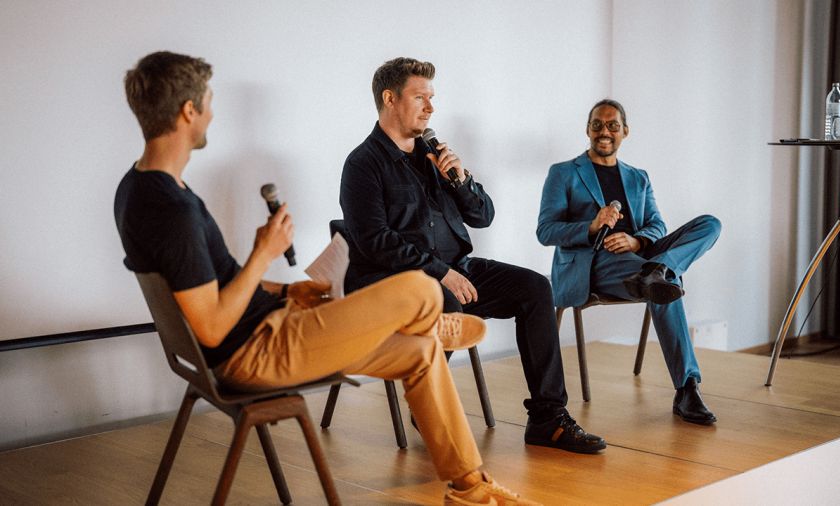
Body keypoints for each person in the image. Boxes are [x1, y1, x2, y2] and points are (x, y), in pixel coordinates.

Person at [114, 51, 539, 505]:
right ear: (188, 111)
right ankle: (431, 319)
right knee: (418, 286)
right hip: (256, 352)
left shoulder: (141, 187)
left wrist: (287, 289)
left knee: (420, 354)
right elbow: (212, 326)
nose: (213, 113)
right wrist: (263, 254)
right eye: (209, 102)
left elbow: (209, 287)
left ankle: (470, 488)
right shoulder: (172, 210)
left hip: (270, 326)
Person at [340, 57, 605, 454]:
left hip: (455, 271)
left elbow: (483, 216)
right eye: (420, 97)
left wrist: (460, 180)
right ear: (390, 99)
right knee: (443, 298)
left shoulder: (434, 156)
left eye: (432, 98)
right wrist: (439, 272)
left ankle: (548, 418)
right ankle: (427, 405)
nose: (431, 107)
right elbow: (374, 240)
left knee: (534, 288)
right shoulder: (363, 165)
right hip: (395, 282)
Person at [536, 99, 721, 425]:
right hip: (594, 264)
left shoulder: (638, 177)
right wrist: (592, 226)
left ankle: (659, 268)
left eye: (612, 125)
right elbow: (546, 230)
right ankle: (687, 387)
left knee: (710, 224)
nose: (604, 131)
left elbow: (657, 225)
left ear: (625, 131)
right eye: (597, 124)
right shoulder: (564, 173)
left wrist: (637, 241)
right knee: (665, 283)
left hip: (639, 256)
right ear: (587, 129)